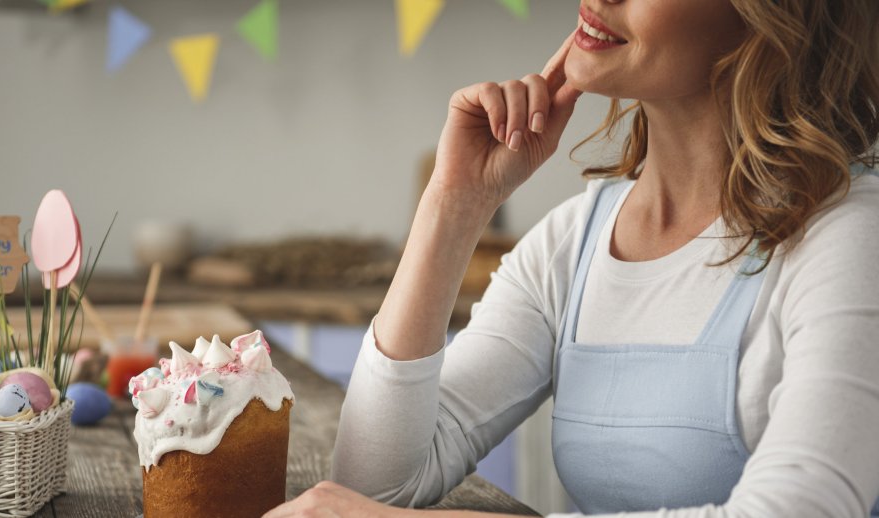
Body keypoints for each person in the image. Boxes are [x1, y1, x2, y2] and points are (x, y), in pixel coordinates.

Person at [265, 0, 879, 516]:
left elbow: (804, 507)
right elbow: (375, 483)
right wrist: (455, 204)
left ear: (766, 20)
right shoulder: (575, 241)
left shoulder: (848, 236)